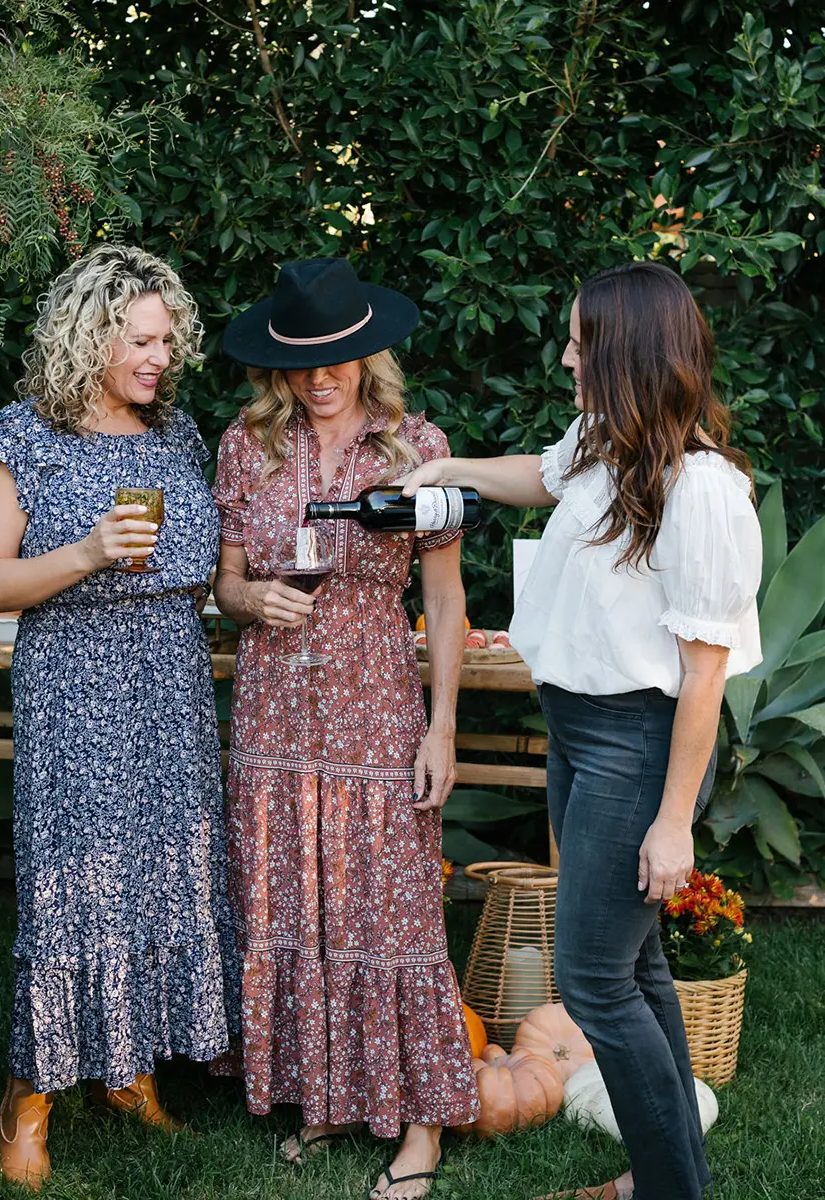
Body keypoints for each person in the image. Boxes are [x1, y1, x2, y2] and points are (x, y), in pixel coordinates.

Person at [399, 262, 762, 1200]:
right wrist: (449, 468)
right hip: (580, 734)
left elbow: (705, 674)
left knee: (594, 978)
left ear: (626, 354)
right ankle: (665, 1177)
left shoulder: (703, 491)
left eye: (578, 342)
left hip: (637, 746)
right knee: (630, 965)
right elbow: (540, 479)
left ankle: (671, 1189)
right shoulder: (608, 448)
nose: (564, 356)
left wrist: (674, 820)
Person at [0, 244, 241, 1190]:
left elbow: (205, 563)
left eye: (167, 339)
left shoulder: (178, 437)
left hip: (171, 682)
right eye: (140, 339)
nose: (160, 357)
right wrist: (85, 551)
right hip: (75, 688)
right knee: (74, 882)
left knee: (164, 874)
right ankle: (29, 1094)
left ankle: (127, 1069)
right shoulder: (19, 437)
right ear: (89, 335)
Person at [211, 258, 478, 1200]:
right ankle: (324, 1093)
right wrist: (251, 599)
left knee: (392, 905)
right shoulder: (248, 446)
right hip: (275, 712)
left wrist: (441, 727)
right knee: (295, 900)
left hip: (374, 706)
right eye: (302, 361)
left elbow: (443, 605)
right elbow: (226, 581)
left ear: (371, 353)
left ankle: (421, 1123)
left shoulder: (418, 451)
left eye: (342, 357)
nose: (322, 377)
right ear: (276, 366)